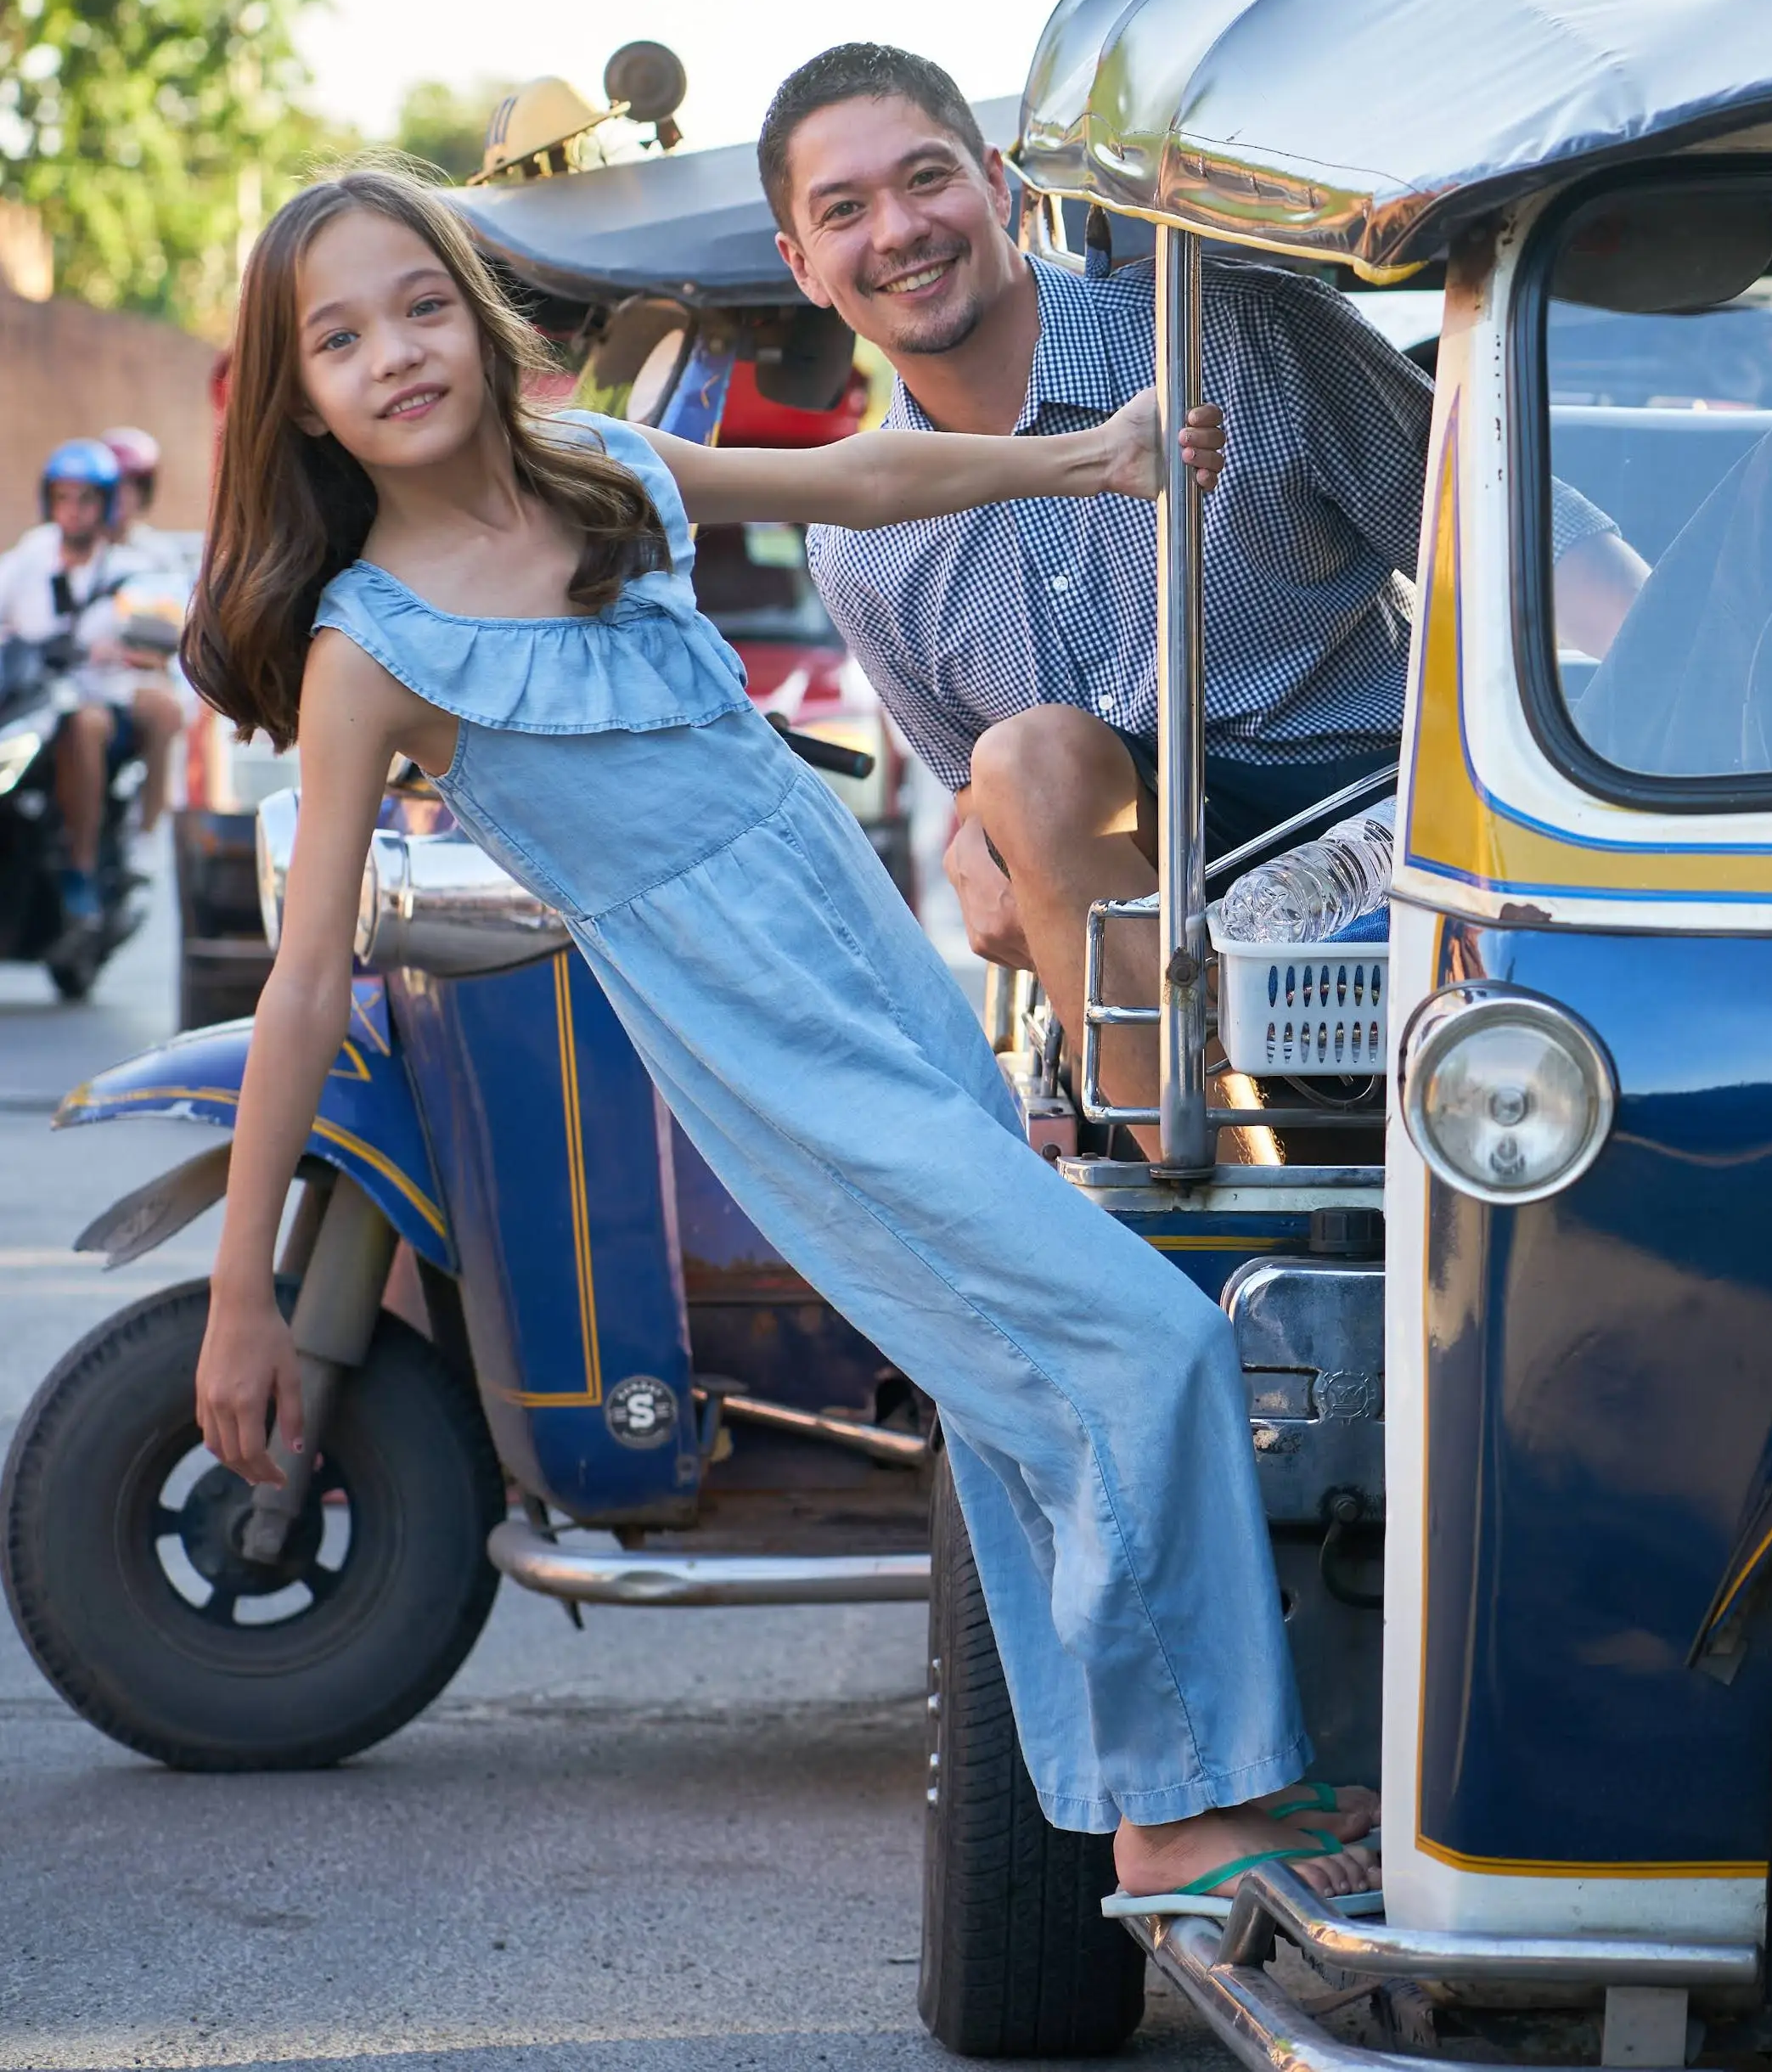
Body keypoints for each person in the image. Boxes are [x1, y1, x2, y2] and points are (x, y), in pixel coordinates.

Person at [181, 168, 1374, 1912]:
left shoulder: (601, 474)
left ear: (476, 313)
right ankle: (1178, 1808)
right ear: (299, 397)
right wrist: (244, 1297)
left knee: (1024, 1387)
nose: (396, 354)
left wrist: (1087, 458)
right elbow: (304, 985)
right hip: (763, 1044)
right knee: (1142, 1345)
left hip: (869, 968)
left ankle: (1157, 1793)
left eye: (420, 304)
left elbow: (857, 478)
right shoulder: (373, 646)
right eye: (340, 338)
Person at [754, 43, 1641, 1135]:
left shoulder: (1242, 333)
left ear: (998, 184)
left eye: (925, 177)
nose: (896, 231)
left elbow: (1534, 554)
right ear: (803, 264)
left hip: (1389, 832)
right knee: (1021, 765)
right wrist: (978, 845)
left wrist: (1691, 733)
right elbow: (993, 798)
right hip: (1145, 900)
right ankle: (1198, 1196)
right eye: (846, 209)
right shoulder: (860, 551)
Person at [0, 437, 187, 926]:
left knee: (84, 726)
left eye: (85, 500)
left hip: (97, 695)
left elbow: (162, 628)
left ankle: (83, 864)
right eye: (63, 498)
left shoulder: (129, 568)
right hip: (28, 695)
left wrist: (124, 648)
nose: (73, 511)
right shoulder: (31, 556)